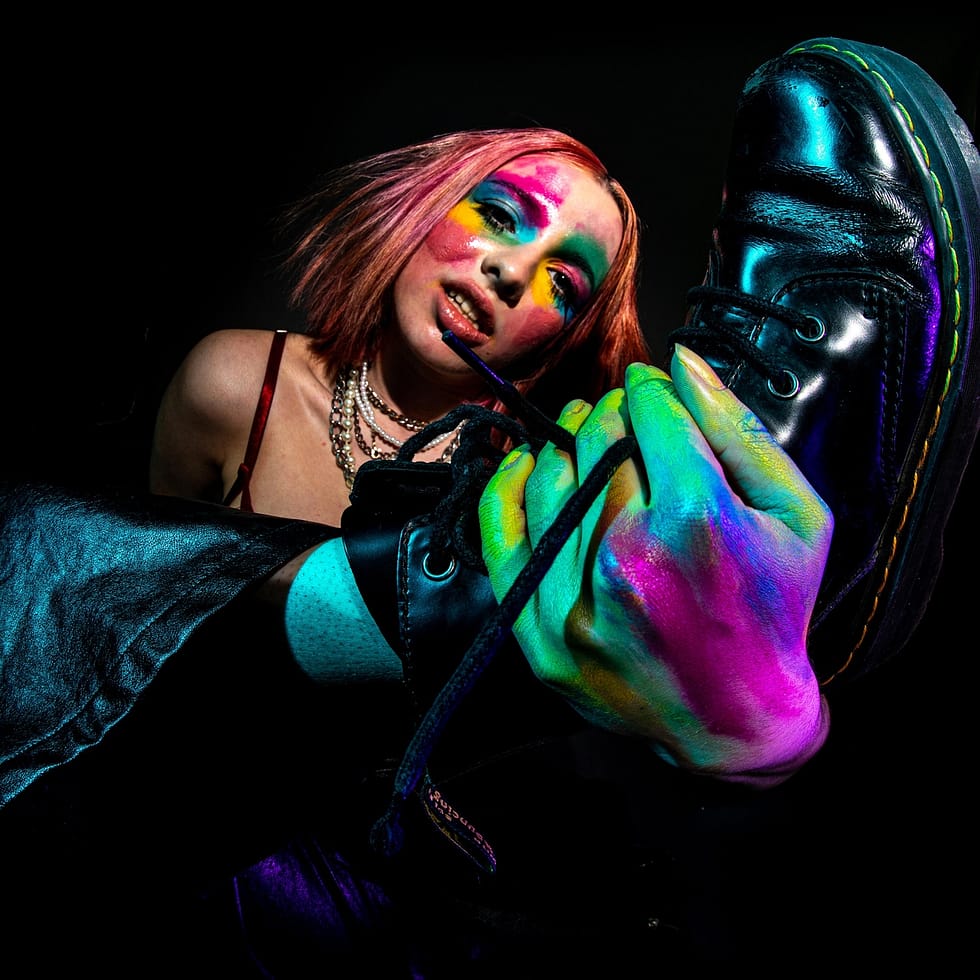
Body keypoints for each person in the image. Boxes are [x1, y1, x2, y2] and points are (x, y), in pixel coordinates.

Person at [1, 36, 977, 973]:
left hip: (418, 891)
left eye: (563, 279)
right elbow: (146, 662)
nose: (512, 271)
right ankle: (489, 599)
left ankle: (538, 593)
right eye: (502, 217)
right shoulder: (233, 384)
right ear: (421, 205)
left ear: (562, 338)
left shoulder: (536, 474)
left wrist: (771, 734)